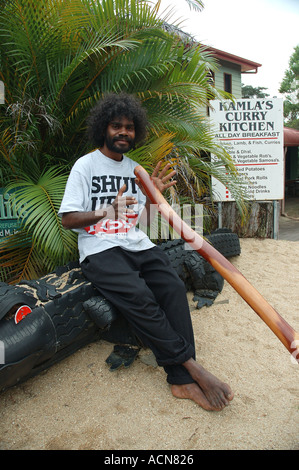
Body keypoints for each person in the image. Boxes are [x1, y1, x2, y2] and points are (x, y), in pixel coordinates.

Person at [59, 92, 234, 411]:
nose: (123, 132)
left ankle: (181, 377)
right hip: (100, 249)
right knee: (140, 296)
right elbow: (68, 218)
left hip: (135, 242)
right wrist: (106, 211)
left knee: (173, 287)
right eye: (116, 126)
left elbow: (145, 220)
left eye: (129, 127)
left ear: (135, 131)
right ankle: (189, 372)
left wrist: (153, 197)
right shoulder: (85, 166)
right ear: (104, 128)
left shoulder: (136, 170)